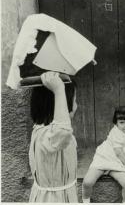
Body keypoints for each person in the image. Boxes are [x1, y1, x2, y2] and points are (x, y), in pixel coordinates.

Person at [29, 71, 78, 202]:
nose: (76, 106)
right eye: (75, 101)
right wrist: (59, 90)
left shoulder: (44, 131)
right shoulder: (47, 135)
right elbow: (63, 130)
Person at [82, 106, 125, 203]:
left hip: (118, 162)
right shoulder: (115, 132)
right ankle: (86, 201)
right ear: (116, 123)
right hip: (105, 157)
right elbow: (118, 152)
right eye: (122, 123)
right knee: (88, 182)